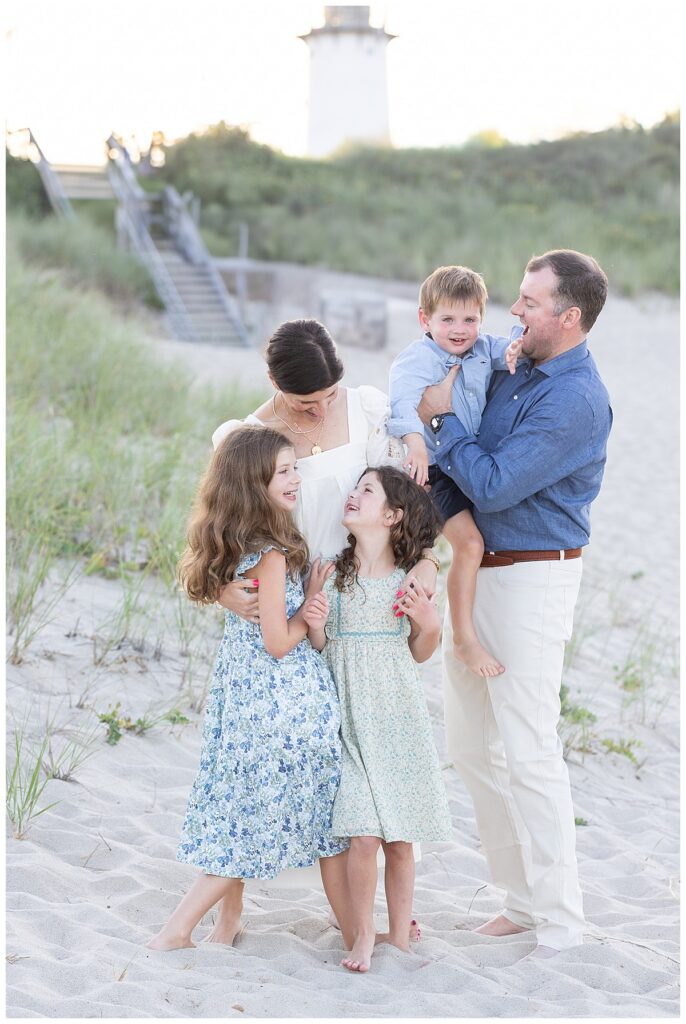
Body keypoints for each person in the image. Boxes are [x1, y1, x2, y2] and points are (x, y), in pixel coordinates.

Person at [210, 319, 439, 941]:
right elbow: (218, 533)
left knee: (346, 767)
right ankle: (229, 906)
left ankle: (361, 918)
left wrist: (426, 563)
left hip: (359, 605)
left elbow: (407, 505)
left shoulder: (364, 412)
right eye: (306, 401)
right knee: (250, 759)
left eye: (328, 394)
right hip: (284, 617)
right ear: (274, 385)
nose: (321, 408)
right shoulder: (246, 439)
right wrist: (225, 593)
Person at [417, 249, 612, 958]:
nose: (515, 312)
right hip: (476, 570)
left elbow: (493, 484)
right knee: (469, 746)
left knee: (530, 751)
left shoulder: (576, 400)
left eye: (530, 303)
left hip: (533, 579)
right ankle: (520, 898)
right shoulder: (511, 366)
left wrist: (439, 425)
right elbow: (453, 472)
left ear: (568, 316)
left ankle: (562, 918)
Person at [146, 426, 348, 950]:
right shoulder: (273, 553)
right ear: (252, 484)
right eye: (282, 471)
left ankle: (227, 923)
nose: (294, 478)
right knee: (250, 823)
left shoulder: (235, 544)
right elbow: (279, 642)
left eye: (293, 467)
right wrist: (307, 612)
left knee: (238, 809)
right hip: (281, 695)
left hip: (240, 695)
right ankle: (175, 931)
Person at [304, 466, 453, 973]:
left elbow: (420, 650)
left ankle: (402, 938)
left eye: (366, 491)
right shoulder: (334, 574)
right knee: (363, 836)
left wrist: (430, 624)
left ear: (391, 516)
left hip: (395, 718)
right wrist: (317, 626)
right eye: (355, 487)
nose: (353, 495)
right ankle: (364, 934)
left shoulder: (406, 581)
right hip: (348, 720)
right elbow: (325, 650)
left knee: (400, 838)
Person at [388, 265, 521, 678]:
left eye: (470, 319)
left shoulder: (482, 347)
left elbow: (509, 343)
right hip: (433, 469)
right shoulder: (418, 359)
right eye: (448, 319)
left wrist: (514, 349)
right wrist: (414, 446)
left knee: (476, 544)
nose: (460, 329)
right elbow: (403, 404)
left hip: (466, 458)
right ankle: (461, 638)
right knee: (469, 546)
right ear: (425, 319)